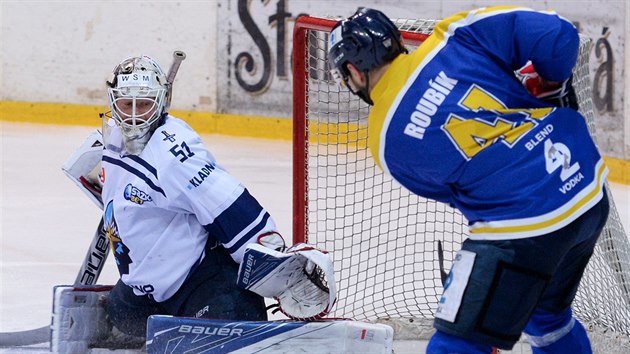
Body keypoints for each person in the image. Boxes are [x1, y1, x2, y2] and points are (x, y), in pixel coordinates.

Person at [327, 6, 609, 354]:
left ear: (353, 70)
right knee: (547, 320)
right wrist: (552, 88)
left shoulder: (384, 141)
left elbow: (464, 193)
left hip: (526, 225)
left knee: (455, 344)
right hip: (586, 185)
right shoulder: (455, 34)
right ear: (397, 41)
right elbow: (559, 36)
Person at [99, 55, 286, 339]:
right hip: (150, 291)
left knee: (235, 323)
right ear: (114, 103)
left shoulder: (175, 157)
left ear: (161, 101)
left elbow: (233, 211)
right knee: (121, 313)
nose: (135, 115)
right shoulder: (113, 138)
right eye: (127, 104)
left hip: (202, 282)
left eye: (145, 104)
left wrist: (282, 275)